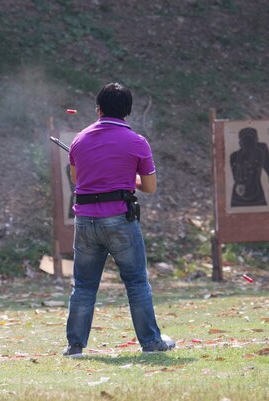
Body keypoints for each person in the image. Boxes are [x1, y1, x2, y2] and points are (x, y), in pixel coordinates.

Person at [63, 82, 174, 357]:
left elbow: (78, 180)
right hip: (120, 220)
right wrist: (132, 179)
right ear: (128, 111)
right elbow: (149, 187)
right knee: (136, 282)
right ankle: (151, 343)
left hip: (85, 221)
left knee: (84, 285)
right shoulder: (137, 142)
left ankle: (75, 346)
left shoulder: (79, 139)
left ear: (98, 109)